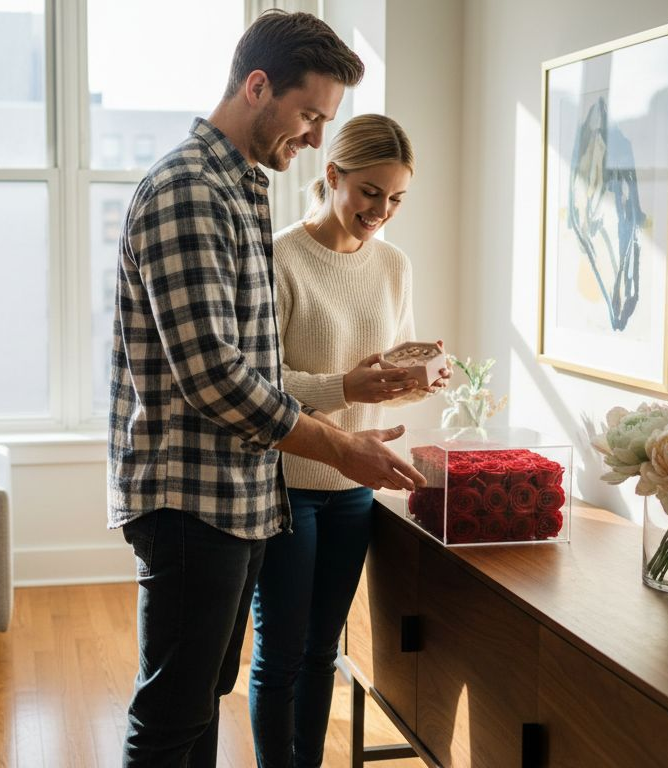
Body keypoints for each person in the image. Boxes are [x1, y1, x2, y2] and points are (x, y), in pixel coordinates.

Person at [107, 11, 426, 768]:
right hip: (192, 502)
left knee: (194, 712)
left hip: (235, 499)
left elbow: (247, 365)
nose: (317, 138)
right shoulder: (189, 191)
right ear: (259, 87)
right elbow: (218, 378)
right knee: (171, 716)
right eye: (311, 114)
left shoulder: (239, 185)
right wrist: (341, 446)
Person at [249, 113, 446, 768]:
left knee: (321, 653)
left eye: (395, 199)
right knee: (279, 656)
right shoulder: (278, 257)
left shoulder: (395, 265)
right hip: (286, 482)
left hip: (357, 487)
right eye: (370, 193)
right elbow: (258, 383)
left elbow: (380, 371)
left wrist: (421, 374)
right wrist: (346, 389)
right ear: (332, 176)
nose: (381, 211)